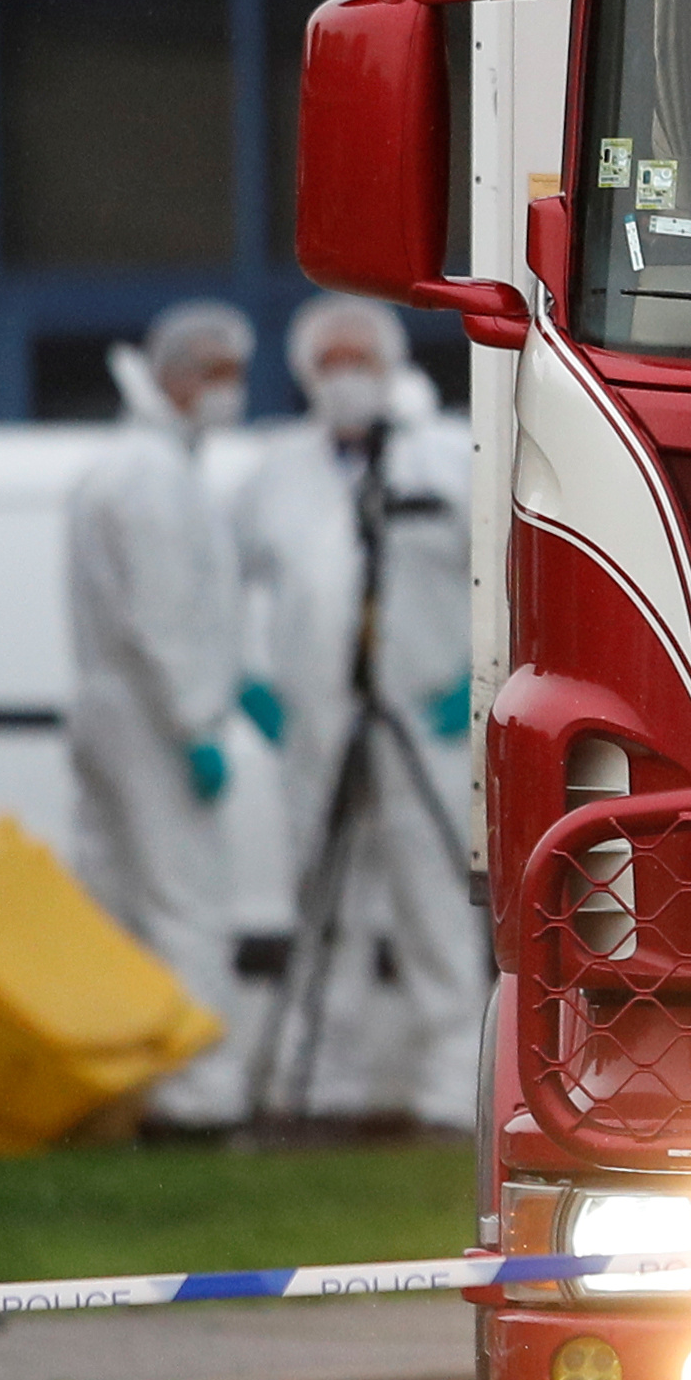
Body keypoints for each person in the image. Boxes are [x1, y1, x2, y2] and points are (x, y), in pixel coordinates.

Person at [233, 293, 486, 1131]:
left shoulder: (445, 457)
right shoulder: (277, 468)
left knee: (435, 899)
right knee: (327, 901)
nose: (346, 379)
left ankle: (453, 1086)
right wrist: (248, 682)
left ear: (389, 365)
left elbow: (507, 575)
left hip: (428, 720)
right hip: (318, 721)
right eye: (329, 361)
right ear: (307, 370)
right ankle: (322, 1084)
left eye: (360, 360)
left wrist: (476, 681)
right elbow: (220, 588)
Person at [63, 297, 260, 1132]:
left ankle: (117, 1084)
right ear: (175, 378)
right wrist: (198, 721)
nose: (230, 390)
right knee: (188, 906)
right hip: (153, 718)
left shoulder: (124, 465)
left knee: (110, 905)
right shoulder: (151, 478)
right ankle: (197, 1095)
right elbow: (161, 615)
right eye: (217, 374)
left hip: (109, 709)